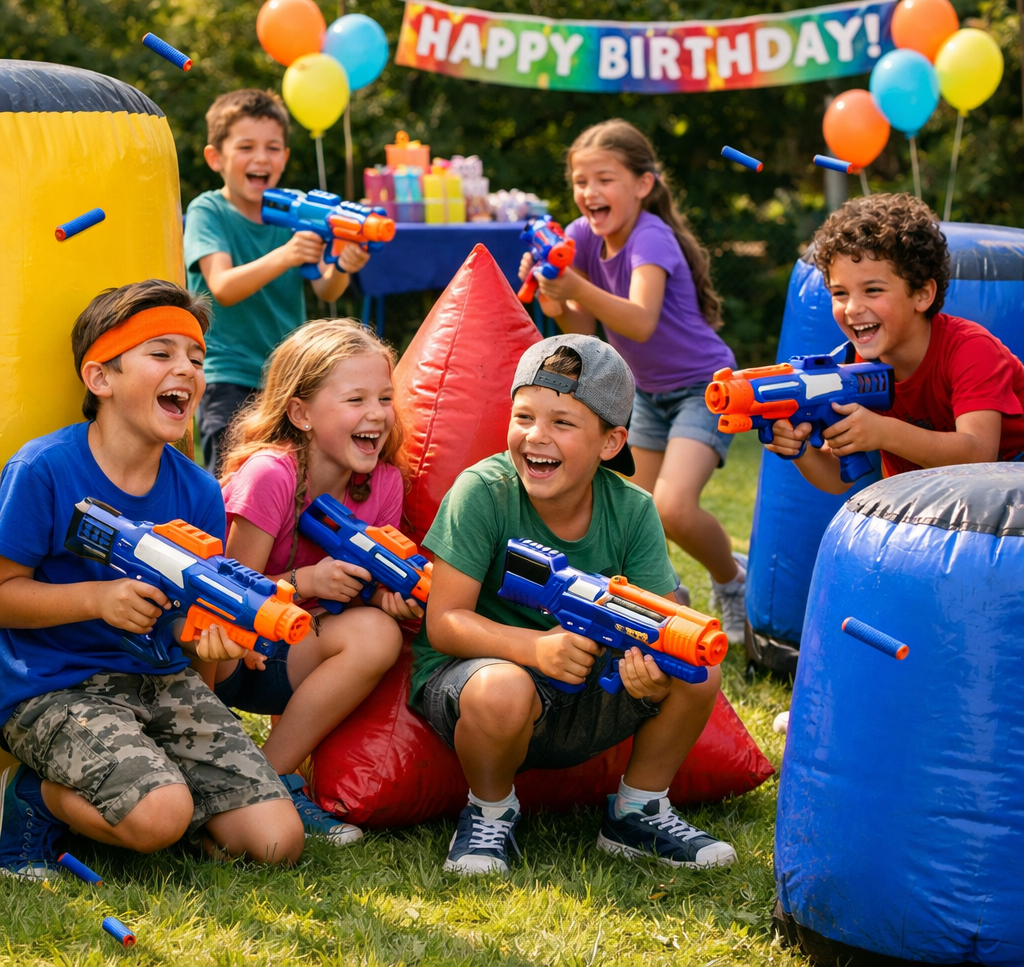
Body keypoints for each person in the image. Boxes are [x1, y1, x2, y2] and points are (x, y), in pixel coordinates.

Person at [0, 279, 304, 882]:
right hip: (53, 687)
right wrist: (99, 599)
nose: (186, 370)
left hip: (159, 680)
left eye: (196, 357)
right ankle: (33, 797)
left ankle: (154, 794)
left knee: (276, 844)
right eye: (160, 353)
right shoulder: (45, 470)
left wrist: (211, 642)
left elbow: (197, 650)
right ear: (100, 379)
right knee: (159, 818)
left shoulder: (195, 490)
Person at [409, 334, 738, 875]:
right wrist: (535, 648)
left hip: (591, 683)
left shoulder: (632, 509)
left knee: (698, 673)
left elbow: (660, 616)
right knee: (502, 690)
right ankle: (490, 810)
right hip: (483, 684)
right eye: (523, 417)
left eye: (563, 423)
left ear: (611, 443)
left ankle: (639, 810)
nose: (536, 437)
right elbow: (443, 623)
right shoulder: (483, 492)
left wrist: (650, 674)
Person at [520, 119, 746, 642]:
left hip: (704, 386)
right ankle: (668, 600)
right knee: (633, 514)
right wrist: (557, 300)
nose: (589, 192)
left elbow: (640, 319)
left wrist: (574, 283)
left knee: (672, 507)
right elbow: (585, 330)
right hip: (644, 392)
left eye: (604, 178)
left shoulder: (651, 236)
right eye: (580, 181)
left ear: (643, 184)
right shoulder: (579, 237)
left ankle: (731, 579)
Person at [214, 318, 413, 845]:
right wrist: (306, 580)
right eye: (355, 400)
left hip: (296, 652)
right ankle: (211, 777)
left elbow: (371, 587)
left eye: (385, 397)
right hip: (231, 649)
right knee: (220, 635)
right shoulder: (270, 475)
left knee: (379, 633)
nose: (376, 414)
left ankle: (272, 777)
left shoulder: (383, 484)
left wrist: (395, 598)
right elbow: (227, 591)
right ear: (300, 412)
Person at [765, 193, 1024, 491]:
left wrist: (884, 432)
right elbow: (837, 478)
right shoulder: (856, 368)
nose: (852, 308)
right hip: (929, 503)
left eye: (872, 290)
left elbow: (978, 456)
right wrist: (800, 449)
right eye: (840, 293)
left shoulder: (971, 350)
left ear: (922, 294)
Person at [184, 88, 370, 475]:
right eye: (246, 146)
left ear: (285, 157)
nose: (260, 158)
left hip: (288, 381)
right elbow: (222, 286)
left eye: (272, 148)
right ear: (215, 157)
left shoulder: (299, 210)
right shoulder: (209, 210)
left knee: (294, 479)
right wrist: (287, 254)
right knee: (232, 479)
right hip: (227, 375)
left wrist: (343, 265)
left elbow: (325, 288)